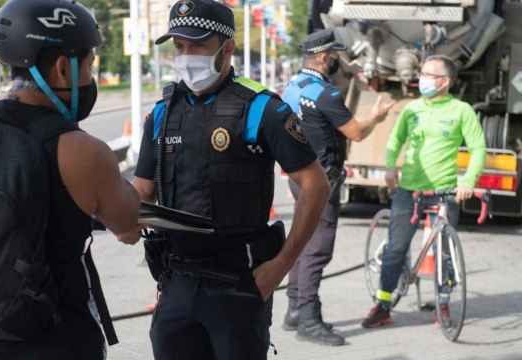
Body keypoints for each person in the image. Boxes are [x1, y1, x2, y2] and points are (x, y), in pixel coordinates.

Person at [0, 0, 140, 358]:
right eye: (90, 65)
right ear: (63, 69)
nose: (90, 78)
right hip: (52, 344)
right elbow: (128, 225)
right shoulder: (82, 151)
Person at [131, 0, 331, 358]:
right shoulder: (163, 113)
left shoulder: (261, 107)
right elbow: (140, 190)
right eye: (179, 46)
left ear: (227, 48)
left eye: (197, 45)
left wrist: (281, 266)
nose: (186, 55)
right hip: (176, 281)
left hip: (239, 282)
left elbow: (315, 186)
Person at [281, 28, 396, 346]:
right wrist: (376, 117)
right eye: (333, 56)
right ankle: (308, 318)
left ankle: (293, 309)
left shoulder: (291, 86)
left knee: (302, 240)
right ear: (322, 57)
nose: (336, 61)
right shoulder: (324, 93)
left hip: (298, 175)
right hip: (322, 179)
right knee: (318, 248)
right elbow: (355, 133)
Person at [361, 55, 486, 328]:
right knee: (396, 249)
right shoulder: (412, 109)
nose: (423, 79)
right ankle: (383, 305)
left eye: (430, 74)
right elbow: (395, 140)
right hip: (409, 190)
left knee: (446, 252)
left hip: (444, 191)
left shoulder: (461, 110)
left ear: (445, 81)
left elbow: (477, 149)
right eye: (422, 73)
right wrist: (391, 167)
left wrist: (468, 181)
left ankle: (442, 304)